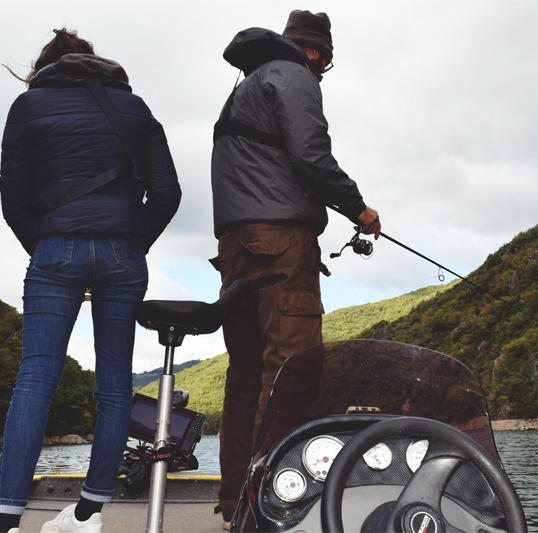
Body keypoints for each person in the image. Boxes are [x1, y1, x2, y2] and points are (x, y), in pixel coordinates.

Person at [0, 29, 181, 533]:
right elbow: (167, 193)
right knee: (113, 387)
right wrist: (129, 245)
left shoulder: (28, 107)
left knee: (35, 379)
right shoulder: (136, 108)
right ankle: (86, 514)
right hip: (123, 252)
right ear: (94, 62)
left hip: (53, 248)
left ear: (47, 66)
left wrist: (50, 251)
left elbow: (13, 201)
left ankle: (6, 521)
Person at [209, 10, 380, 528]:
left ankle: (235, 504)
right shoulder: (295, 76)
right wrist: (359, 209)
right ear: (315, 52)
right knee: (290, 373)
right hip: (282, 242)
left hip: (235, 244)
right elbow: (311, 155)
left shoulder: (247, 84)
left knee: (244, 377)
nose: (323, 71)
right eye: (325, 61)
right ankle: (271, 507)